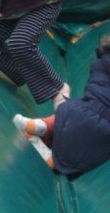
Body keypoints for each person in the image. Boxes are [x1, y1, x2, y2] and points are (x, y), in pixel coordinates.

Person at [13, 34, 110, 177]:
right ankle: (50, 154)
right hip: (99, 138)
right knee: (66, 164)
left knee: (69, 113)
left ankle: (44, 125)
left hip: (73, 115)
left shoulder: (98, 65)